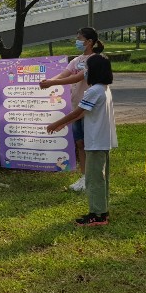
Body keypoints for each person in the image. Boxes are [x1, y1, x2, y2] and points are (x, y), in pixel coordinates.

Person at [45, 54, 117, 226]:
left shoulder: (93, 91)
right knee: (100, 178)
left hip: (95, 142)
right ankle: (101, 212)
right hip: (102, 141)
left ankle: (97, 215)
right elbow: (84, 112)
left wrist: (56, 123)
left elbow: (78, 112)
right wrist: (65, 124)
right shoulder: (104, 89)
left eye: (87, 68)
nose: (85, 71)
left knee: (93, 179)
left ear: (94, 71)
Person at [39, 27, 105, 191]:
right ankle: (84, 178)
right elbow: (64, 74)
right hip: (76, 106)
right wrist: (49, 81)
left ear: (89, 41)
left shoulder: (96, 60)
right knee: (80, 144)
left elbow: (77, 77)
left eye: (79, 39)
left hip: (89, 109)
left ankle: (94, 178)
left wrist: (51, 83)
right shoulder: (76, 60)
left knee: (91, 145)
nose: (77, 41)